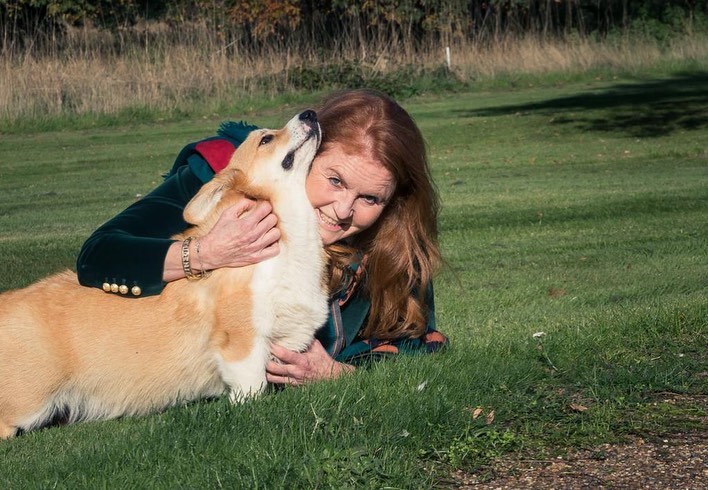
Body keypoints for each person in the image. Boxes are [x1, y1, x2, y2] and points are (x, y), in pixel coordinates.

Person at [76, 88, 447, 386]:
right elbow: (98, 255)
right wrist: (205, 252)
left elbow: (419, 344)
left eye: (371, 198)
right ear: (307, 150)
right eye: (334, 180)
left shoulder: (396, 241)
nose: (343, 209)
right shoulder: (227, 172)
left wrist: (341, 374)